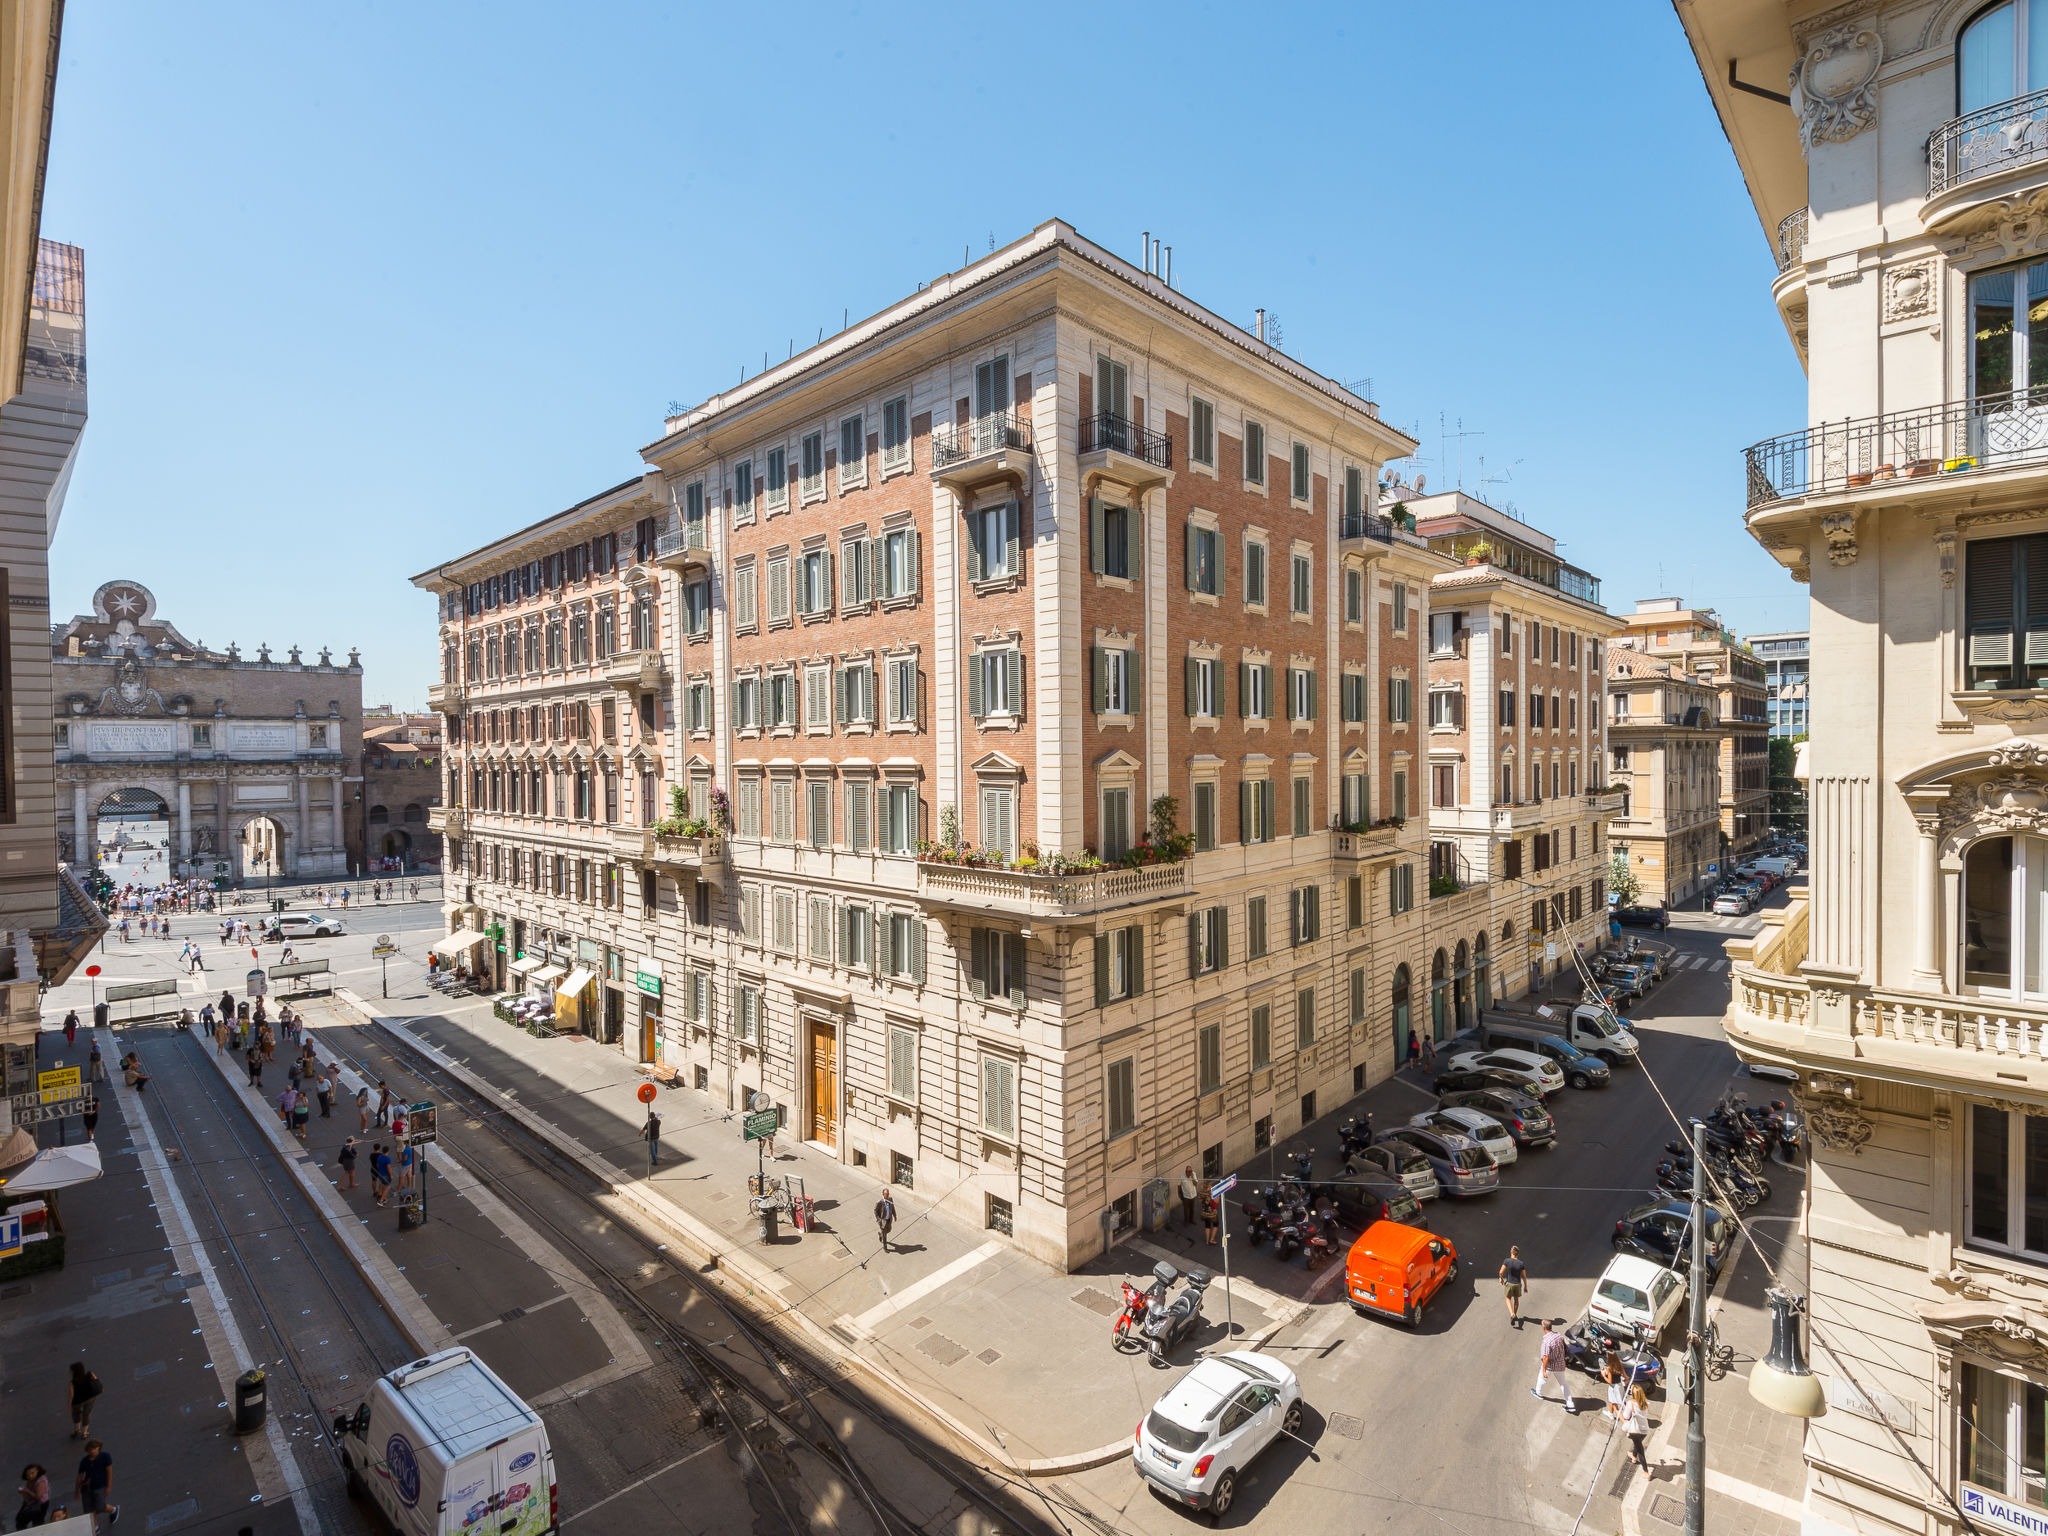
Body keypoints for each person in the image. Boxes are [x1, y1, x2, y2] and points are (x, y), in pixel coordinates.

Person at [1532, 1319, 1575, 1412]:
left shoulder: (1546, 1341)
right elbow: (1564, 1348)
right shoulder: (1558, 1335)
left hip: (1550, 1366)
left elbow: (1545, 1358)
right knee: (1563, 1384)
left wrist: (1544, 1370)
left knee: (1542, 1379)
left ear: (1543, 1327)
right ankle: (1570, 1404)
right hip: (1560, 1364)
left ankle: (1538, 1393)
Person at [71, 1440, 113, 1531]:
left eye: (93, 1449)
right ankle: (95, 1527)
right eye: (89, 1449)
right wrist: (77, 1491)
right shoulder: (84, 1461)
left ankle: (113, 1510)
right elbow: (79, 1476)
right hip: (86, 1488)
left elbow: (109, 1471)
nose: (91, 1451)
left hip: (100, 1486)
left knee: (100, 1507)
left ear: (98, 1448)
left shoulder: (105, 1456)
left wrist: (109, 1486)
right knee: (88, 1510)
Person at [67, 1363, 101, 1438]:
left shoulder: (72, 1382)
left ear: (74, 1371)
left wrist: (69, 1406)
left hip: (77, 1402)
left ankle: (77, 1429)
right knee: (86, 1414)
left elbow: (71, 1396)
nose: (69, 1371)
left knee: (76, 1414)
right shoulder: (90, 1374)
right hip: (90, 1398)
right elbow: (96, 1381)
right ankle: (85, 1433)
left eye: (70, 1370)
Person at [1622, 1384, 1651, 1469]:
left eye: (1631, 1390)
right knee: (1637, 1443)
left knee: (1640, 1451)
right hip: (1645, 1430)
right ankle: (1633, 1456)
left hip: (1635, 1431)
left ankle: (1646, 1471)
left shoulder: (1630, 1403)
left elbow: (1626, 1416)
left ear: (1634, 1394)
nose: (1630, 1391)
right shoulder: (1646, 1402)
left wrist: (1625, 1408)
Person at [1500, 1245, 1528, 1327]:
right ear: (1518, 1254)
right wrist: (1525, 1286)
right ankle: (1514, 1315)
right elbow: (1524, 1276)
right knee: (1516, 1300)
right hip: (1517, 1284)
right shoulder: (1521, 1263)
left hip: (1509, 1284)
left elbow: (1500, 1272)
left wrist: (1501, 1278)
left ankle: (1512, 1314)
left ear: (1511, 1252)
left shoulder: (1507, 1261)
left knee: (1508, 1298)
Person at [16, 1461, 49, 1527]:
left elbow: (38, 1497)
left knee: (37, 1522)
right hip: (31, 1504)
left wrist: (26, 1491)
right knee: (19, 1519)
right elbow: (29, 1494)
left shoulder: (40, 1481)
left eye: (32, 1473)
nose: (30, 1476)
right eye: (27, 1475)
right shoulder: (30, 1481)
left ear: (37, 1471)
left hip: (40, 1504)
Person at [1178, 1165, 1199, 1229]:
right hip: (1185, 1195)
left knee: (1192, 1208)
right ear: (1186, 1171)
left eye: (1190, 1171)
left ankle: (1191, 1220)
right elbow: (1179, 1185)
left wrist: (1192, 1178)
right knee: (1186, 1209)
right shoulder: (1182, 1175)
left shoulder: (1193, 1174)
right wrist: (1178, 1193)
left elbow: (1196, 1184)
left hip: (1192, 1195)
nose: (1190, 1173)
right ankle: (1186, 1221)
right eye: (1188, 1171)